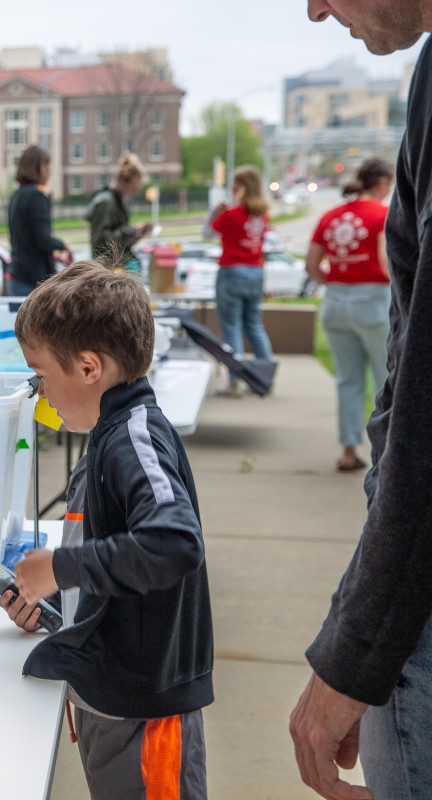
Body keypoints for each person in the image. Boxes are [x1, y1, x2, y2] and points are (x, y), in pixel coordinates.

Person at [291, 3, 432, 799]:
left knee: (354, 382)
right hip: (364, 309)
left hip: (340, 309)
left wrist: (356, 652)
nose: (314, 9)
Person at [5, 260, 213, 799]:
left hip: (143, 709)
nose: (39, 391)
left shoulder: (134, 439)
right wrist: (54, 606)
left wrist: (60, 567)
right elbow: (117, 568)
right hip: (111, 695)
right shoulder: (108, 432)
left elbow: (172, 542)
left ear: (89, 367)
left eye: (41, 374)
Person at [304, 158, 394, 473]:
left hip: (336, 303)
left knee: (348, 380)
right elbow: (385, 261)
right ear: (382, 182)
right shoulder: (383, 215)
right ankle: (387, 453)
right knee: (385, 380)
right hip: (373, 303)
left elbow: (312, 265)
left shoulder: (331, 215)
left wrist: (338, 281)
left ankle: (348, 450)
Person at [204, 165, 274, 395]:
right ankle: (266, 377)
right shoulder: (262, 215)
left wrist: (216, 211)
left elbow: (207, 233)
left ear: (242, 187)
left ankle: (235, 380)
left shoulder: (232, 215)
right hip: (255, 271)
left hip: (232, 272)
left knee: (231, 328)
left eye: (235, 184)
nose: (232, 188)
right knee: (254, 325)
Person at [6, 145, 72, 296]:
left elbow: (25, 238)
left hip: (17, 273)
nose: (49, 171)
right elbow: (43, 239)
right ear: (39, 166)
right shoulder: (37, 197)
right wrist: (63, 245)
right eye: (46, 165)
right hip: (34, 279)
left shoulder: (16, 196)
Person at [85, 152, 152, 271]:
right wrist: (133, 231)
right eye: (134, 188)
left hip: (116, 265)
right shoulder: (105, 202)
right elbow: (101, 243)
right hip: (108, 269)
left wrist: (136, 233)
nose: (134, 192)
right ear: (124, 181)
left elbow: (118, 239)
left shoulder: (118, 200)